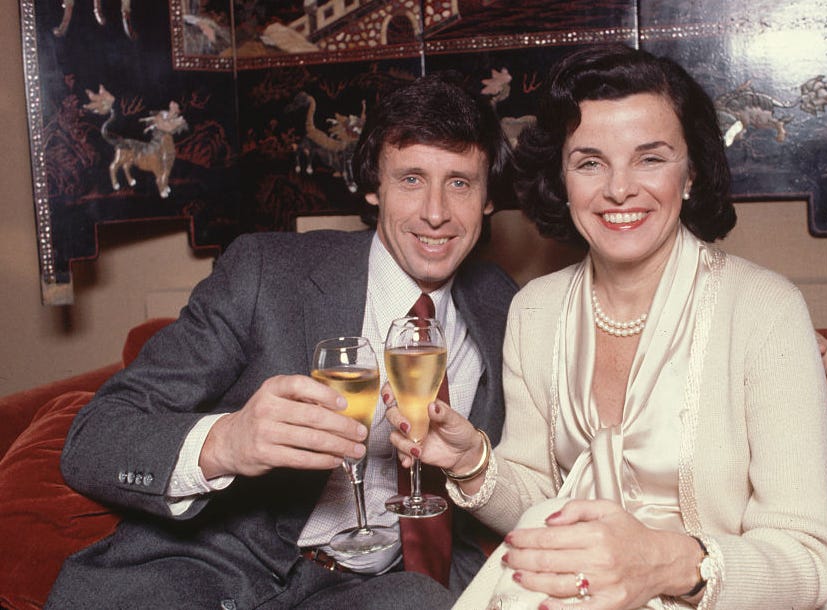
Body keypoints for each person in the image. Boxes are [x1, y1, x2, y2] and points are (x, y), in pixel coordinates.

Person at [385, 45, 827, 609]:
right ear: (562, 179)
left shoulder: (766, 309)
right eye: (590, 162)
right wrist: (471, 462)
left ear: (690, 174)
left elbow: (808, 559)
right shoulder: (535, 310)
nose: (618, 189)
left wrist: (660, 565)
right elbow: (541, 501)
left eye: (650, 158)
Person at [46, 73, 517, 609]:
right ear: (372, 187)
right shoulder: (266, 272)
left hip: (373, 593)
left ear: (487, 200)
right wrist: (226, 443)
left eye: (460, 183)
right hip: (207, 571)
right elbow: (95, 438)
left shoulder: (505, 306)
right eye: (411, 179)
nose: (435, 212)